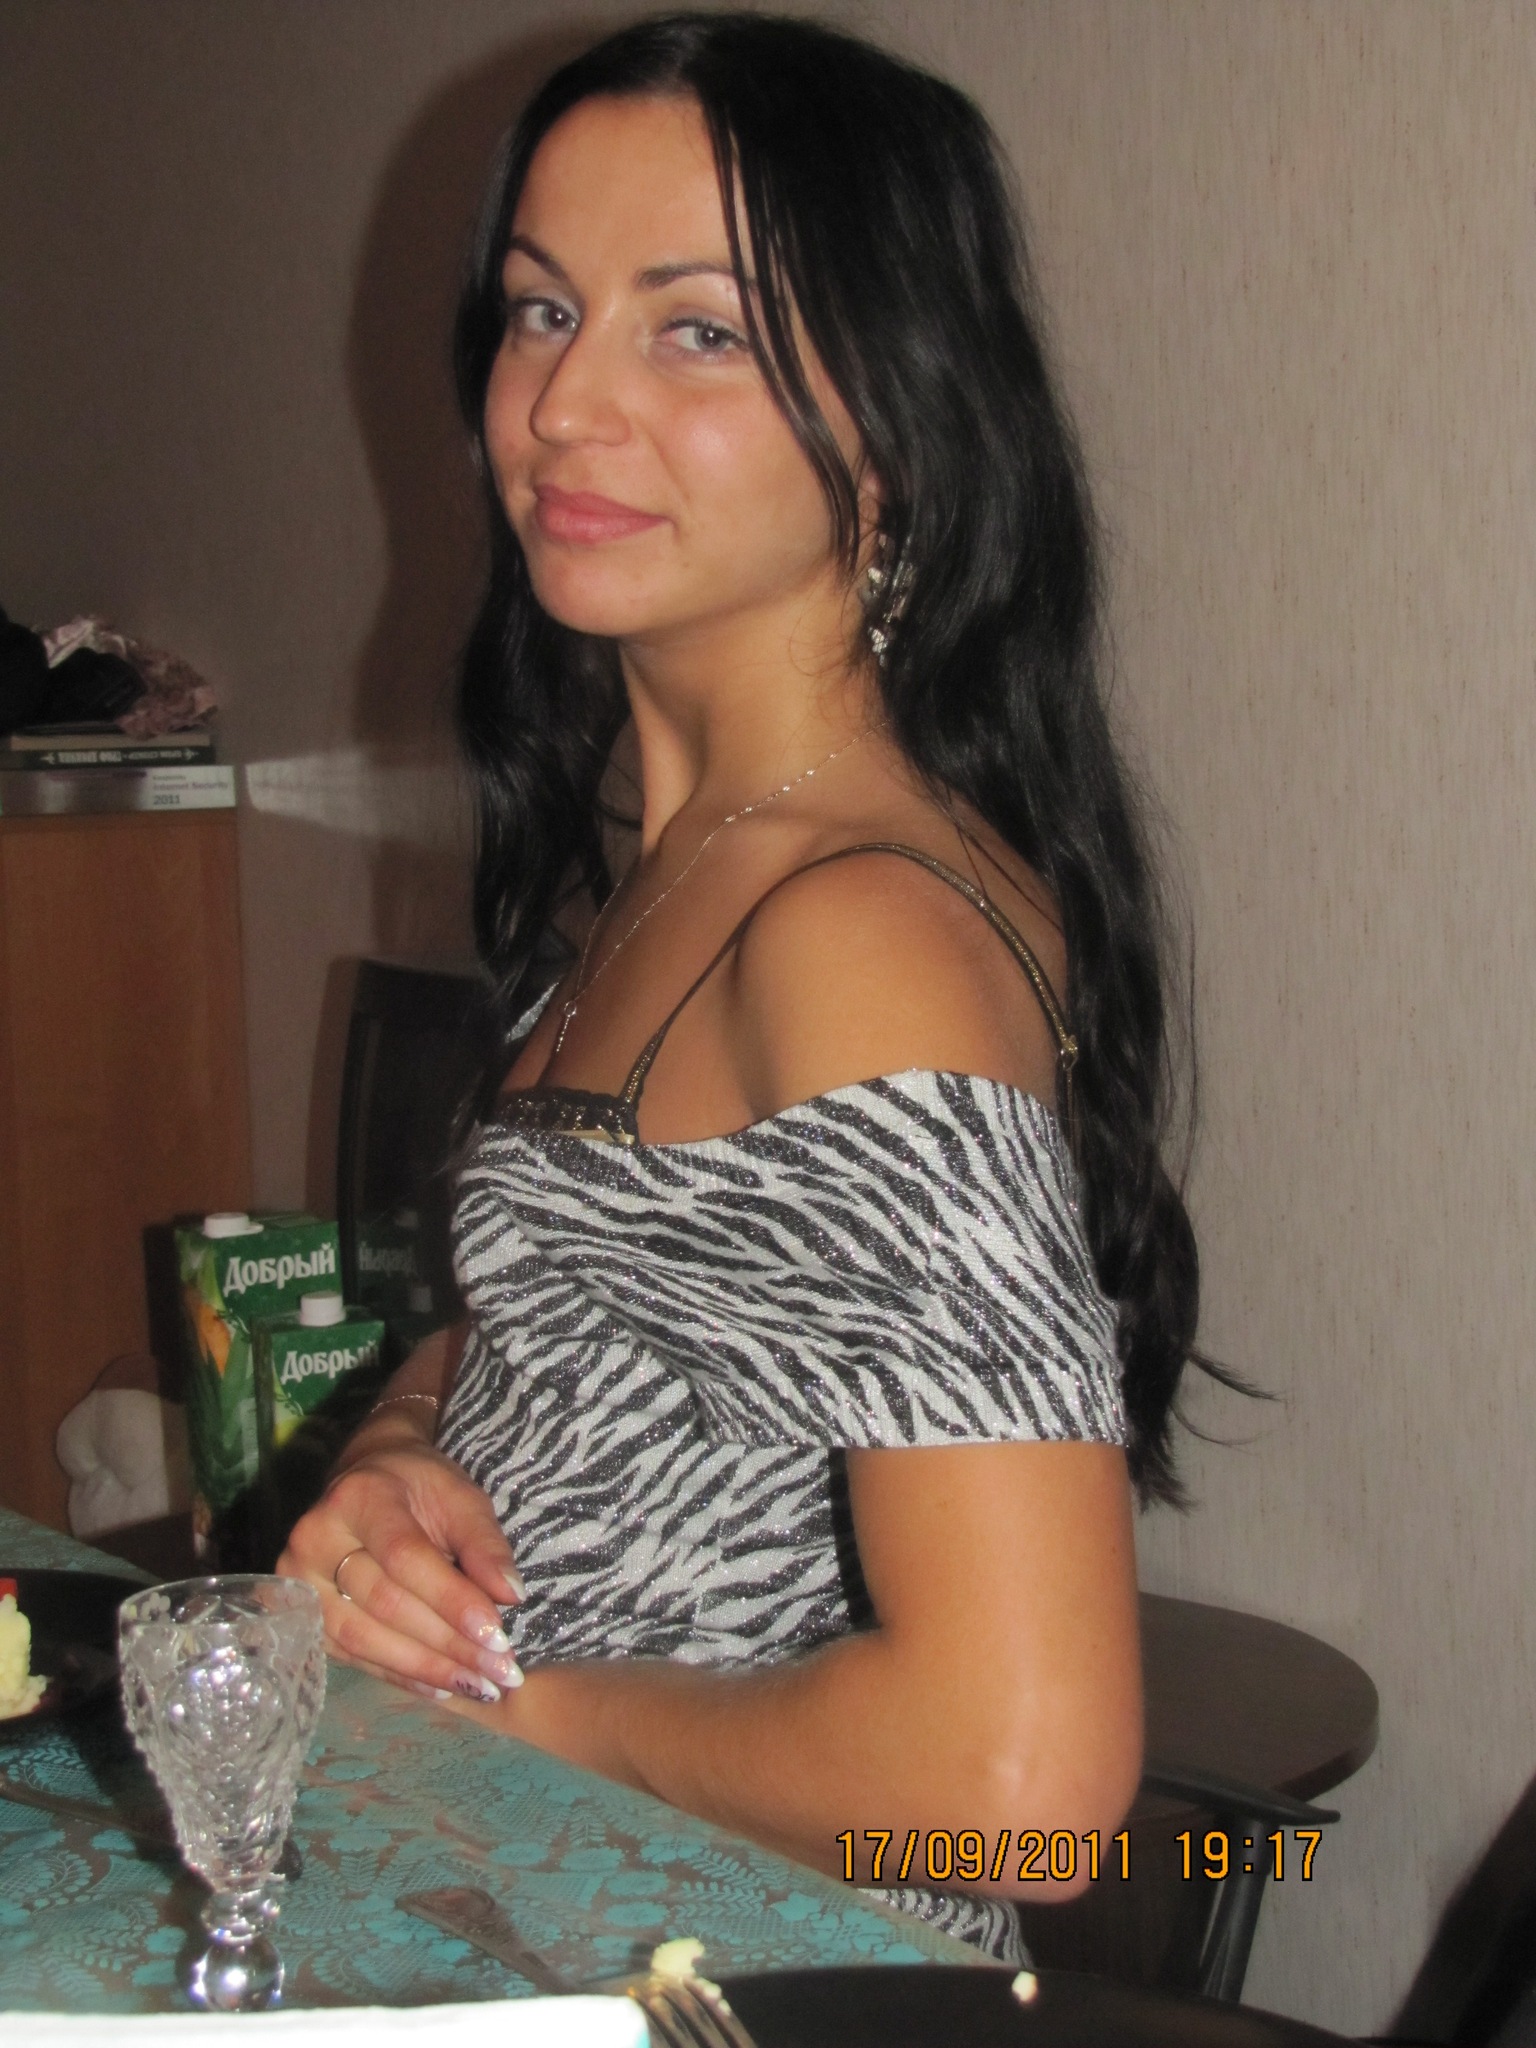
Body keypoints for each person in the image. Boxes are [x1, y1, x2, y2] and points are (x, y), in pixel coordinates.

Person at [279, 11, 1207, 1961]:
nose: (564, 404)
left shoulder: (854, 930)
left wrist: (533, 1716)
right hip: (531, 1912)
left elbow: (1025, 1782)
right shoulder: (695, 862)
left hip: (729, 1969)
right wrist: (395, 1457)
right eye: (542, 311)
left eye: (695, 329)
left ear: (902, 416)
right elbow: (604, 1327)